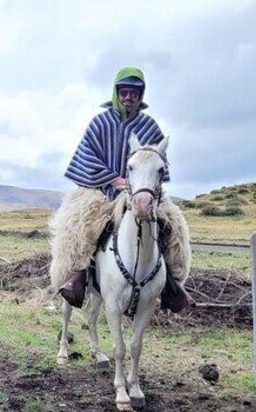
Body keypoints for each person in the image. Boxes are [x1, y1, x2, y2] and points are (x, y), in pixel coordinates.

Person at [50, 66, 193, 312]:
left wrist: (142, 186)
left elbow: (155, 160)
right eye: (124, 92)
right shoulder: (100, 123)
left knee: (174, 225)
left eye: (134, 93)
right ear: (117, 93)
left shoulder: (149, 125)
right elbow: (88, 156)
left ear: (141, 95)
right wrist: (114, 180)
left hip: (141, 191)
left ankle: (172, 283)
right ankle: (76, 275)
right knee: (82, 225)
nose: (129, 97)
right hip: (101, 191)